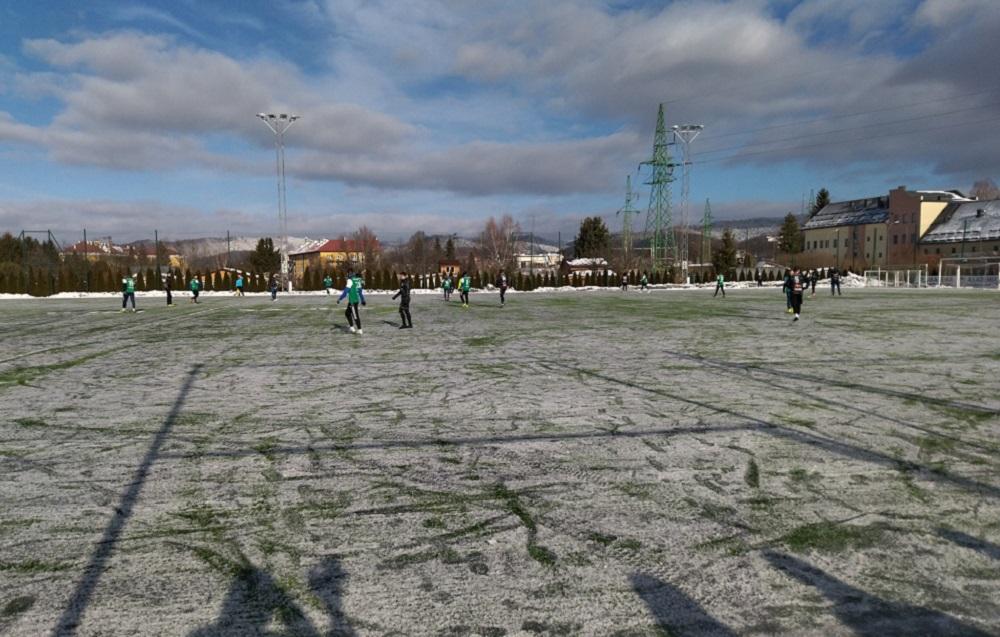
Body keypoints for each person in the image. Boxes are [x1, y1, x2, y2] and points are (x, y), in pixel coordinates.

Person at [337, 269, 366, 333]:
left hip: (353, 301)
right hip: (355, 300)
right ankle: (352, 328)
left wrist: (339, 299)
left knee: (355, 316)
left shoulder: (350, 281)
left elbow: (345, 292)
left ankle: (359, 330)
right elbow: (360, 292)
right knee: (347, 313)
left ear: (349, 274)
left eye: (348, 273)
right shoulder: (358, 280)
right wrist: (362, 300)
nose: (347, 275)